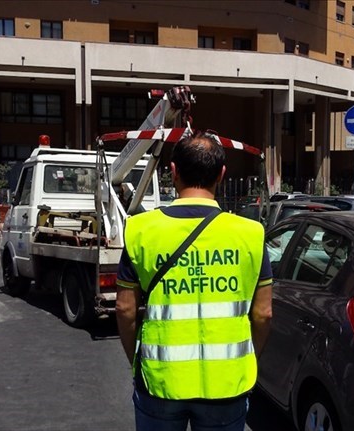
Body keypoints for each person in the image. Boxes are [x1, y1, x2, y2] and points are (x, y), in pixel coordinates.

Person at [116, 132, 273, 431]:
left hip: (160, 381)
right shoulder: (251, 234)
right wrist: (246, 360)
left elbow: (125, 310)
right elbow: (263, 314)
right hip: (227, 384)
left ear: (173, 172)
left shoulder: (140, 230)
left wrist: (137, 362)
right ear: (222, 175)